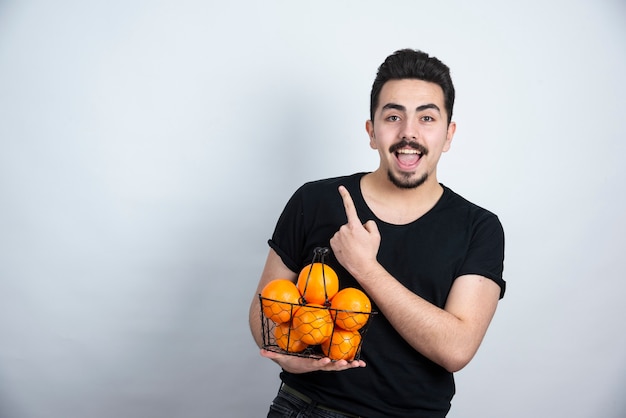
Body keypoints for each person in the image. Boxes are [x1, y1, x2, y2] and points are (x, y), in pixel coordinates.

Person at [249, 48, 506, 418]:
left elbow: (457, 348)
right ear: (372, 131)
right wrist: (291, 361)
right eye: (393, 116)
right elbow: (263, 313)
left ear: (448, 134)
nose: (408, 133)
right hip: (304, 407)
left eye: (427, 117)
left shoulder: (478, 228)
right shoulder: (314, 200)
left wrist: (365, 268)